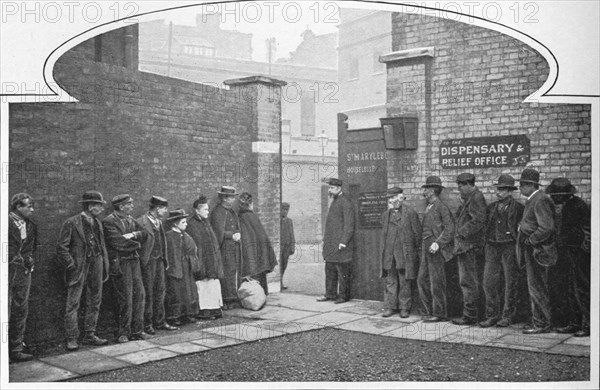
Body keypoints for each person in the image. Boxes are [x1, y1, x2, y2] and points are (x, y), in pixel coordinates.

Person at [56, 191, 110, 351]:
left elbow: (101, 245)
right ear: (90, 206)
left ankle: (90, 334)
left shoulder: (97, 223)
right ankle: (72, 338)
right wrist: (71, 264)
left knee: (95, 300)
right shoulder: (72, 222)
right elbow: (61, 247)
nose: (101, 209)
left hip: (96, 264)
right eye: (99, 205)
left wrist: (104, 264)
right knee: (73, 303)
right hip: (79, 268)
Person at [547, 178, 590, 337]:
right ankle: (574, 322)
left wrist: (584, 250)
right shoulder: (565, 206)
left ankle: (587, 325)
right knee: (570, 288)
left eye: (555, 195)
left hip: (578, 254)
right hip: (567, 252)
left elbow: (588, 230)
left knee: (582, 288)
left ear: (563, 195)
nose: (552, 197)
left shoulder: (579, 205)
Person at [480, 175, 524, 328]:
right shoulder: (491, 208)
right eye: (498, 189)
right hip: (492, 246)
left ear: (510, 191)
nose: (499, 192)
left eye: (503, 189)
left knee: (510, 282)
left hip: (509, 247)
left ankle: (508, 315)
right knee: (488, 282)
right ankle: (492, 315)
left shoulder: (518, 208)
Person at [103, 194, 148, 343]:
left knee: (139, 295)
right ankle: (123, 332)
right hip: (121, 263)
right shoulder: (109, 221)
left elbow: (145, 234)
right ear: (121, 206)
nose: (132, 206)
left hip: (133, 262)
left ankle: (137, 330)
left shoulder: (130, 219)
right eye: (129, 204)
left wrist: (133, 234)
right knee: (125, 298)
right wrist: (137, 244)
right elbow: (118, 243)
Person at [517, 168, 557, 334]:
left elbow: (547, 227)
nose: (520, 188)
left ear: (531, 185)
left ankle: (541, 324)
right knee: (534, 286)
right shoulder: (534, 199)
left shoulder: (540, 200)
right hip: (533, 250)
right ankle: (538, 321)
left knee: (537, 287)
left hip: (538, 251)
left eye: (522, 185)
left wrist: (531, 239)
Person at [377, 187, 422, 318]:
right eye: (389, 198)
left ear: (400, 197)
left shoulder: (410, 213)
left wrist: (415, 254)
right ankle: (390, 307)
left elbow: (417, 234)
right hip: (389, 254)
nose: (391, 200)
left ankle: (404, 308)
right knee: (390, 282)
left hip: (404, 254)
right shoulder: (386, 215)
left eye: (393, 197)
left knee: (404, 281)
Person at [137, 196, 178, 335]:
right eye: (164, 208)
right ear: (157, 208)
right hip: (148, 262)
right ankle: (147, 324)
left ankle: (160, 321)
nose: (166, 211)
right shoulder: (141, 222)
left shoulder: (159, 222)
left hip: (159, 261)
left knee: (160, 291)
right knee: (148, 293)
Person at [417, 176, 455, 322]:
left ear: (432, 190)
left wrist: (438, 243)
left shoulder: (441, 207)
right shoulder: (429, 206)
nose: (424, 191)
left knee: (436, 282)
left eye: (426, 188)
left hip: (435, 248)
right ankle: (427, 311)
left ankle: (439, 314)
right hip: (425, 247)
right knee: (422, 280)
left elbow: (450, 228)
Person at [452, 173, 487, 325]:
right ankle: (471, 314)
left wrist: (461, 232)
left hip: (469, 247)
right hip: (466, 247)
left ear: (468, 184)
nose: (459, 189)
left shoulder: (476, 197)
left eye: (460, 186)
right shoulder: (471, 198)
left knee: (468, 282)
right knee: (467, 281)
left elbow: (479, 220)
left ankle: (470, 316)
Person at [8, 193, 37, 362]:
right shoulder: (5, 223)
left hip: (23, 273)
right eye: (28, 206)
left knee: (20, 309)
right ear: (18, 207)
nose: (32, 210)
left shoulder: (31, 225)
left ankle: (16, 349)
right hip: (7, 271)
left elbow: (31, 248)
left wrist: (29, 259)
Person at [317, 178, 355, 304]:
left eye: (332, 188)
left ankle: (344, 296)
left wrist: (344, 241)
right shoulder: (335, 201)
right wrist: (325, 240)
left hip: (341, 245)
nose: (330, 190)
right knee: (330, 270)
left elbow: (349, 224)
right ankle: (330, 294)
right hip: (331, 245)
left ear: (339, 188)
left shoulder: (345, 202)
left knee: (342, 272)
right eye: (329, 188)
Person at [187, 195, 224, 320]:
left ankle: (214, 309)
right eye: (205, 210)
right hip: (202, 260)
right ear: (197, 210)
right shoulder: (192, 224)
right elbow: (196, 245)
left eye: (208, 210)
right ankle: (204, 311)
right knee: (203, 286)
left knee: (212, 285)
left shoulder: (206, 223)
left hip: (211, 260)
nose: (208, 212)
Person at [164, 209, 200, 326]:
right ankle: (175, 316)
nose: (186, 224)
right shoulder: (169, 236)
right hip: (175, 268)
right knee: (176, 292)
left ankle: (188, 314)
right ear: (175, 223)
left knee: (188, 291)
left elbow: (193, 248)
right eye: (183, 222)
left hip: (186, 267)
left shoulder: (185, 235)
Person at [237, 192, 278, 294]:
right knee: (259, 278)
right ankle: (261, 294)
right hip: (259, 254)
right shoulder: (252, 217)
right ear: (250, 204)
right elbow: (262, 237)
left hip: (251, 255)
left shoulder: (240, 217)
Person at [210, 186, 242, 308]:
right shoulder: (218, 212)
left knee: (233, 271)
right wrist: (231, 235)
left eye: (234, 197)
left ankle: (233, 297)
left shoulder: (231, 211)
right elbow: (217, 232)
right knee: (226, 273)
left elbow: (236, 225)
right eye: (231, 197)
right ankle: (227, 299)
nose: (233, 199)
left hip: (234, 247)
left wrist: (238, 233)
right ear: (224, 198)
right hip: (224, 248)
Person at [280, 202, 296, 290]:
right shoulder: (278, 221)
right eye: (283, 210)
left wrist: (292, 247)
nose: (285, 212)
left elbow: (292, 234)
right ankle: (280, 283)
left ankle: (281, 281)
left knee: (284, 265)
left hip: (287, 247)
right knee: (280, 265)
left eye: (287, 210)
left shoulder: (289, 221)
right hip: (280, 247)